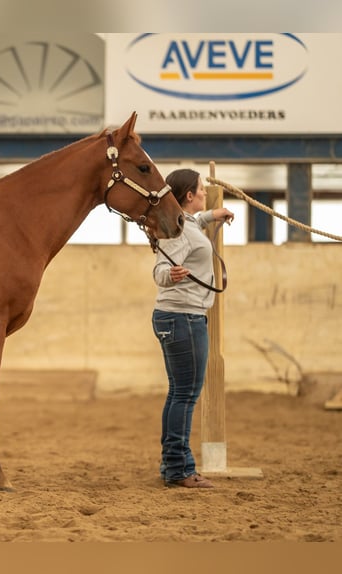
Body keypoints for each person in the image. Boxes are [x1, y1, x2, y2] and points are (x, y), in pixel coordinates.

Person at [152, 168, 234, 489]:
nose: (204, 192)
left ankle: (172, 464)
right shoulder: (177, 231)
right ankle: (179, 469)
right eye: (201, 190)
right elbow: (160, 268)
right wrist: (168, 275)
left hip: (180, 317)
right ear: (189, 196)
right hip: (183, 317)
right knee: (185, 395)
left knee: (179, 393)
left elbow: (193, 226)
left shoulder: (184, 223)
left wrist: (212, 214)